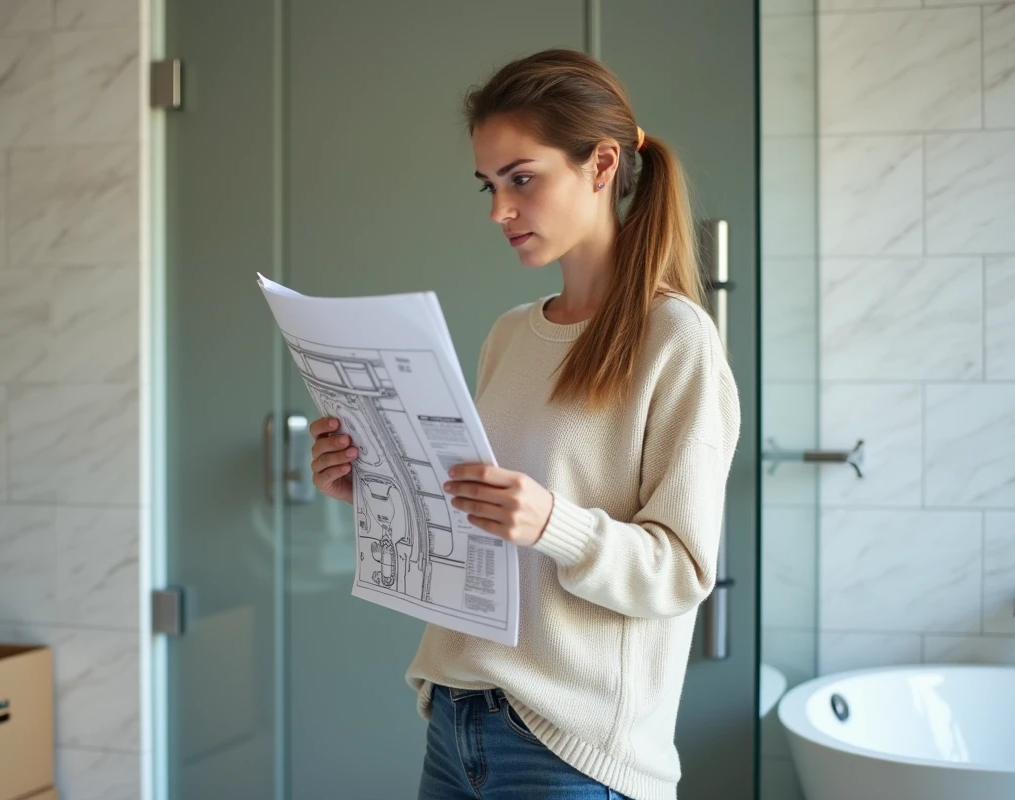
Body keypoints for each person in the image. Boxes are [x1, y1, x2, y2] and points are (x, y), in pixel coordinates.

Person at [307, 48, 740, 800]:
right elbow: (483, 524)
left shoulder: (677, 340)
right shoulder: (509, 335)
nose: (498, 210)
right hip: (454, 720)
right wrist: (376, 485)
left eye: (522, 179)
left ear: (601, 165)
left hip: (570, 754)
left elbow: (682, 571)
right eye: (490, 184)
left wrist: (554, 523)